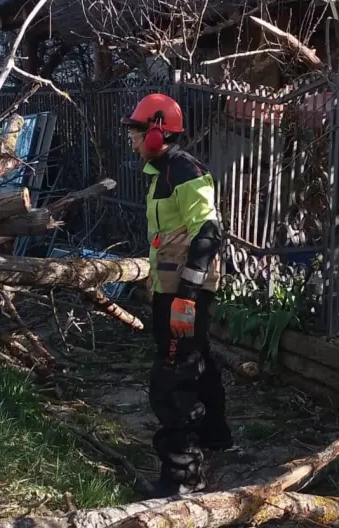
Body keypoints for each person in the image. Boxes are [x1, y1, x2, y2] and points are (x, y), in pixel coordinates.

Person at [121, 93, 234, 497]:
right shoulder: (163, 170)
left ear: (155, 131)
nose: (132, 141)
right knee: (195, 355)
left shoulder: (183, 171)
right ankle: (215, 435)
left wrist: (186, 292)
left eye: (136, 132)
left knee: (173, 373)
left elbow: (208, 231)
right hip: (173, 288)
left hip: (183, 294)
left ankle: (182, 476)